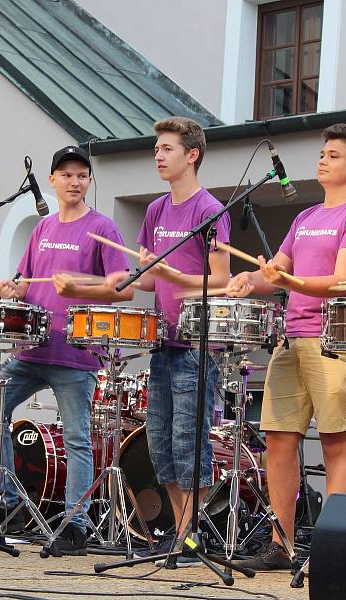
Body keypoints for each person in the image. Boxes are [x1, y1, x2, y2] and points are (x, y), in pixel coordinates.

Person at [226, 123, 346, 570]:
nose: (322, 159)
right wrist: (250, 280)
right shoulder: (305, 218)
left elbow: (343, 280)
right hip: (292, 337)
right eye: (322, 153)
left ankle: (335, 548)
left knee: (336, 442)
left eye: (333, 155)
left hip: (334, 339)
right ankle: (282, 544)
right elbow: (275, 271)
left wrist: (286, 280)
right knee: (277, 440)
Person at [0, 145, 133, 556]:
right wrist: (15, 288)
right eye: (66, 175)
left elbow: (125, 288)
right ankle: (11, 507)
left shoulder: (102, 228)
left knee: (78, 438)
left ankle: (74, 526)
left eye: (81, 176)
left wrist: (79, 286)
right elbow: (27, 281)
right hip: (32, 348)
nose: (74, 182)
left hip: (76, 352)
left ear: (89, 182)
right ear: (52, 180)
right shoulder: (42, 228)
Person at [133, 116, 231, 561]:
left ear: (192, 155)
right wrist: (135, 274)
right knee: (159, 442)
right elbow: (152, 281)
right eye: (157, 148)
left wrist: (171, 272)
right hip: (163, 341)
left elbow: (222, 278)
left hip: (197, 342)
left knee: (189, 441)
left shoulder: (209, 210)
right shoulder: (155, 210)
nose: (158, 155)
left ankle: (192, 533)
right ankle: (182, 529)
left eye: (167, 148)